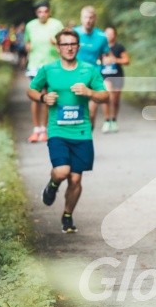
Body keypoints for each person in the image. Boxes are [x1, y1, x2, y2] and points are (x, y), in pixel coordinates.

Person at [27, 28, 109, 233]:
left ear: (78, 46)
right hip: (57, 131)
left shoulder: (89, 70)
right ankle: (52, 185)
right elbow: (31, 90)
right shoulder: (48, 69)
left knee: (76, 178)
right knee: (62, 172)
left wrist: (90, 92)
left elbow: (104, 96)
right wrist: (43, 98)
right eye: (65, 44)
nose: (69, 48)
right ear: (58, 47)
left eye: (73, 44)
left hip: (82, 132)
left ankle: (67, 216)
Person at [25, 2, 65, 142]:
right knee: (36, 96)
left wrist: (55, 44)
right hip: (35, 65)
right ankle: (36, 129)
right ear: (37, 13)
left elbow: (65, 44)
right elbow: (27, 42)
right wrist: (28, 48)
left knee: (49, 97)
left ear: (49, 12)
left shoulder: (56, 24)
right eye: (40, 11)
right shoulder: (30, 25)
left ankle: (46, 129)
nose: (43, 14)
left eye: (45, 11)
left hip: (52, 66)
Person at [73, 6, 110, 130]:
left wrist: (108, 59)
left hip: (94, 77)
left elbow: (107, 54)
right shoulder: (74, 33)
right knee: (75, 112)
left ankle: (87, 140)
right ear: (81, 18)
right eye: (85, 17)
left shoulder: (101, 36)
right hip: (75, 75)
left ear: (95, 19)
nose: (88, 20)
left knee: (91, 113)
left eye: (90, 17)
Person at [100, 26, 130, 133]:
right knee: (107, 96)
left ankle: (114, 120)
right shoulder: (100, 47)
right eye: (106, 33)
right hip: (104, 75)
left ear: (115, 35)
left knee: (116, 99)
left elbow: (127, 60)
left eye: (111, 33)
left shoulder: (119, 47)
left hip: (117, 75)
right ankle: (106, 120)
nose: (108, 35)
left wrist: (114, 60)